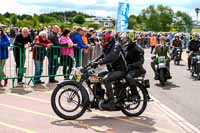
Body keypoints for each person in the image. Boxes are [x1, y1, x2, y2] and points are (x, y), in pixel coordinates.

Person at [91, 31, 128, 110]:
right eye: (102, 39)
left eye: (103, 39)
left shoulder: (116, 45)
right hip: (112, 70)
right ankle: (99, 98)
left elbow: (112, 56)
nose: (102, 41)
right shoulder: (108, 46)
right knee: (96, 78)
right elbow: (102, 56)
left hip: (120, 70)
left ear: (109, 39)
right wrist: (93, 62)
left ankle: (111, 103)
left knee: (106, 79)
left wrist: (99, 62)